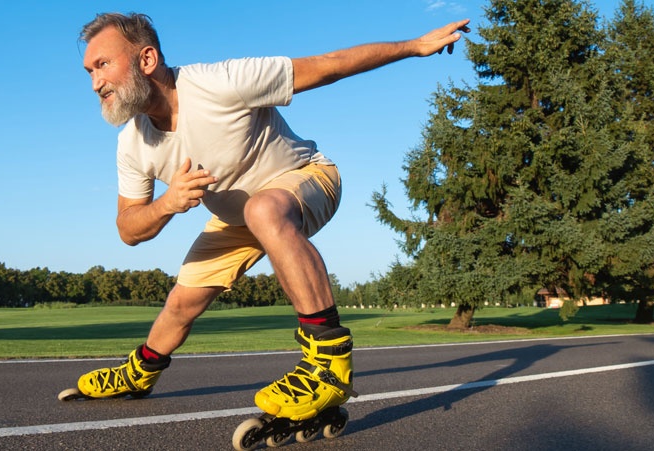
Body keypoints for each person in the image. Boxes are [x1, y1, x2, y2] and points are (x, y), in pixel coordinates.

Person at [71, 12, 470, 420]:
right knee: (180, 304)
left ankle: (328, 361)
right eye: (88, 71)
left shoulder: (218, 82)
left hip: (305, 177)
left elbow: (328, 66)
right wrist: (168, 203)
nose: (95, 83)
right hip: (235, 217)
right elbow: (128, 228)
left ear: (147, 59)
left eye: (102, 65)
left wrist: (415, 47)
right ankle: (140, 372)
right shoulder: (132, 144)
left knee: (262, 208)